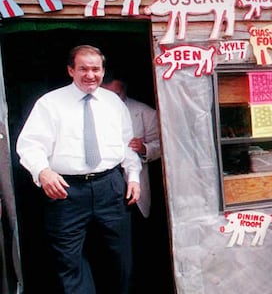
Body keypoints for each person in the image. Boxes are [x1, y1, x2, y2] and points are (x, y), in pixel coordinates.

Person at [16, 45, 141, 293]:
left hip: (111, 186)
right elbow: (29, 145)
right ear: (70, 70)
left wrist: (133, 177)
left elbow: (127, 144)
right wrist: (43, 171)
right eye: (83, 68)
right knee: (68, 261)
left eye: (95, 69)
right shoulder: (50, 104)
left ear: (103, 71)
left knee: (119, 259)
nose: (90, 74)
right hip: (66, 191)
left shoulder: (113, 102)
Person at [101, 73, 173, 293]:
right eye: (108, 93)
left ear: (125, 90)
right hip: (104, 188)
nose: (114, 98)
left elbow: (164, 144)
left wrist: (144, 149)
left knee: (137, 242)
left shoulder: (143, 112)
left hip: (135, 187)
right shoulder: (92, 112)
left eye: (118, 93)